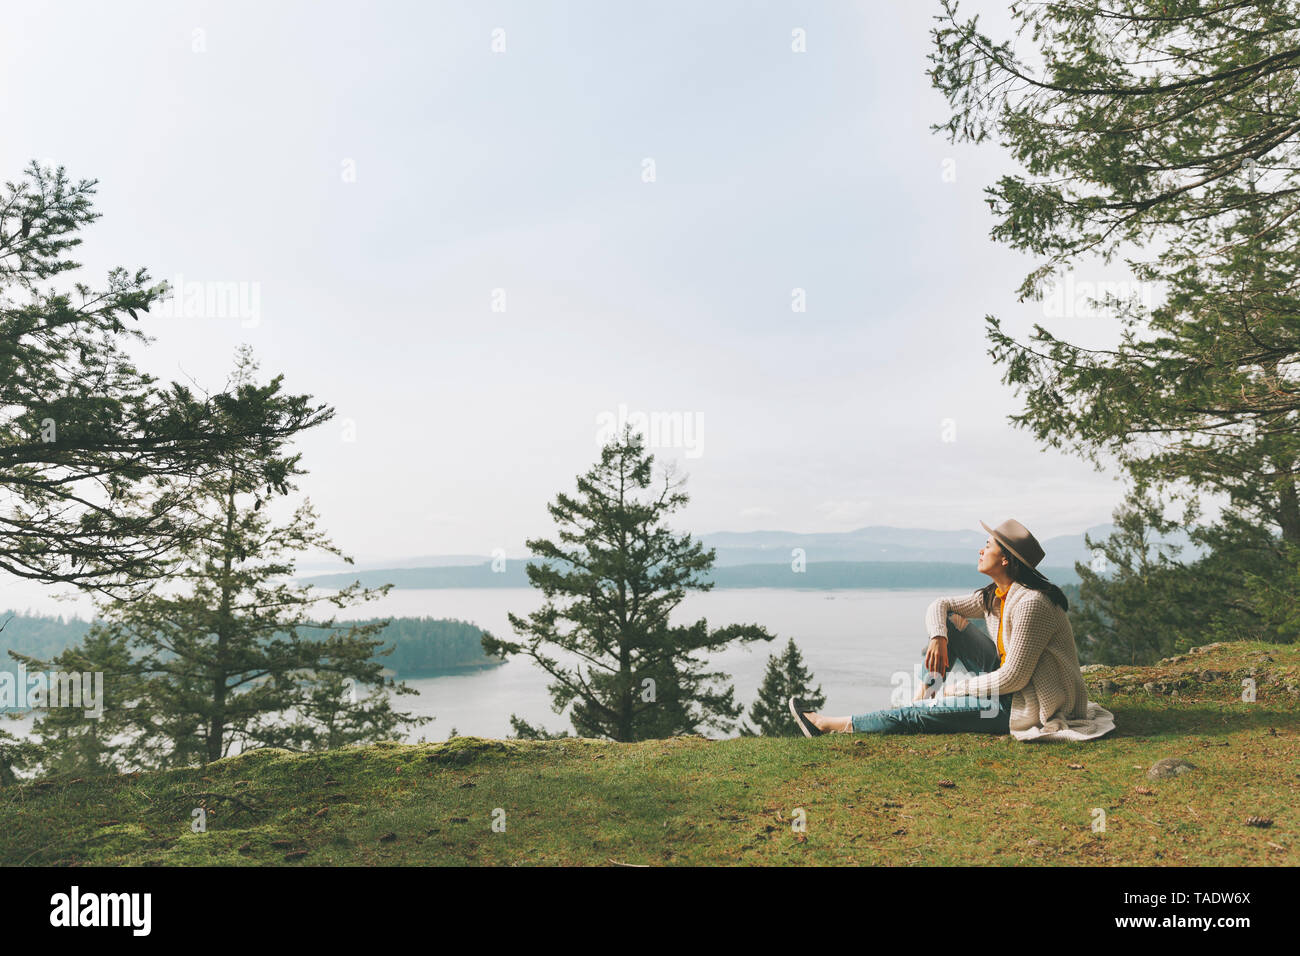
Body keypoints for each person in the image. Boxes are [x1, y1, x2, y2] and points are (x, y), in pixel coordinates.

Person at [790, 518, 1115, 742]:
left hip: (1025, 704)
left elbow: (1014, 678)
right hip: (1012, 683)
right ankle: (919, 700)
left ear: (1006, 560)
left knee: (921, 719)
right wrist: (939, 637)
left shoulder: (1032, 604)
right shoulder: (997, 596)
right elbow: (940, 605)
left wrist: (957, 690)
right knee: (948, 624)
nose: (980, 550)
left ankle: (827, 725)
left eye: (987, 546)